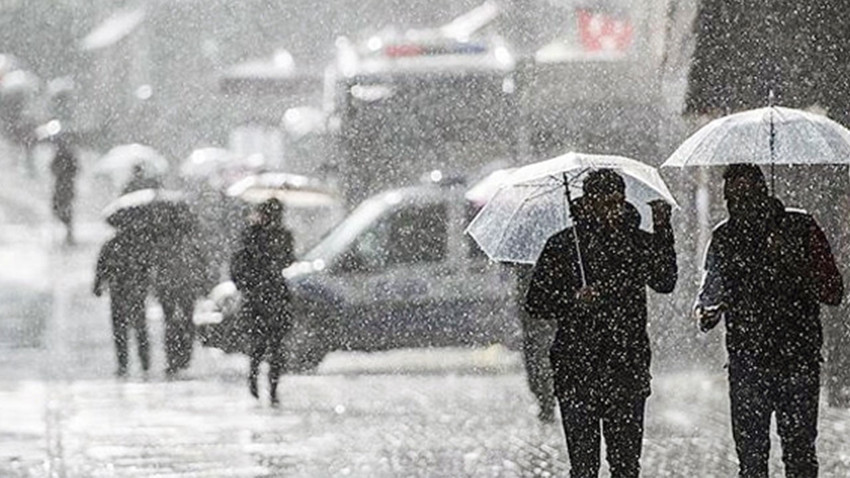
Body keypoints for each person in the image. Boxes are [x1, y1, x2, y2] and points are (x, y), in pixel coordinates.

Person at [524, 169, 677, 478]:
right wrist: (572, 299)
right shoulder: (565, 245)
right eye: (605, 203)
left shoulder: (636, 242)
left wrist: (663, 230)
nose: (613, 211)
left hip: (626, 366)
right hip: (577, 368)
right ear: (588, 203)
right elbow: (536, 302)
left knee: (625, 466)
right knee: (583, 467)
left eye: (618, 202)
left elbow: (664, 280)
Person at [695, 164, 843, 478]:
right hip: (748, 361)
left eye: (747, 193)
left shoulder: (800, 227)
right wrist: (708, 313)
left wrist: (792, 260)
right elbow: (709, 295)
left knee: (800, 458)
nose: (740, 202)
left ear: (763, 190)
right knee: (751, 462)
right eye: (732, 196)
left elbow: (833, 291)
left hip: (797, 359)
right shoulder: (724, 238)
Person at [230, 198, 295, 405]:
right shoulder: (252, 235)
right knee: (260, 345)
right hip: (259, 297)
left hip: (275, 295)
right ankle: (255, 379)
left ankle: (272, 388)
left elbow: (289, 259)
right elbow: (239, 265)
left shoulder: (282, 235)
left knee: (275, 347)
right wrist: (249, 285)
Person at [152, 213, 212, 376]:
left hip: (173, 289)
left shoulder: (164, 245)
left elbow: (157, 269)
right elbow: (202, 267)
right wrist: (204, 286)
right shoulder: (191, 245)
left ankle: (175, 357)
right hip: (184, 289)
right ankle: (182, 356)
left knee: (173, 323)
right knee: (185, 322)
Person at [93, 228, 152, 377]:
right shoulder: (139, 244)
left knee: (120, 330)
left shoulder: (111, 245)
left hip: (118, 292)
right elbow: (147, 268)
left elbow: (101, 268)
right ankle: (144, 363)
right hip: (135, 293)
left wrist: (98, 285)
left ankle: (123, 364)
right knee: (140, 329)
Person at [513, 262, 556, 423]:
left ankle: (547, 400)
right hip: (533, 326)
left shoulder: (550, 262)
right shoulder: (524, 266)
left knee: (540, 363)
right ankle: (546, 399)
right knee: (536, 365)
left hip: (543, 324)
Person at [50, 139, 78, 245]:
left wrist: (64, 173)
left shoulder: (69, 157)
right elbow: (52, 169)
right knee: (59, 209)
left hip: (66, 188)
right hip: (61, 187)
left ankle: (68, 232)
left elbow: (75, 170)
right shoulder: (59, 156)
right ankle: (67, 230)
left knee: (65, 209)